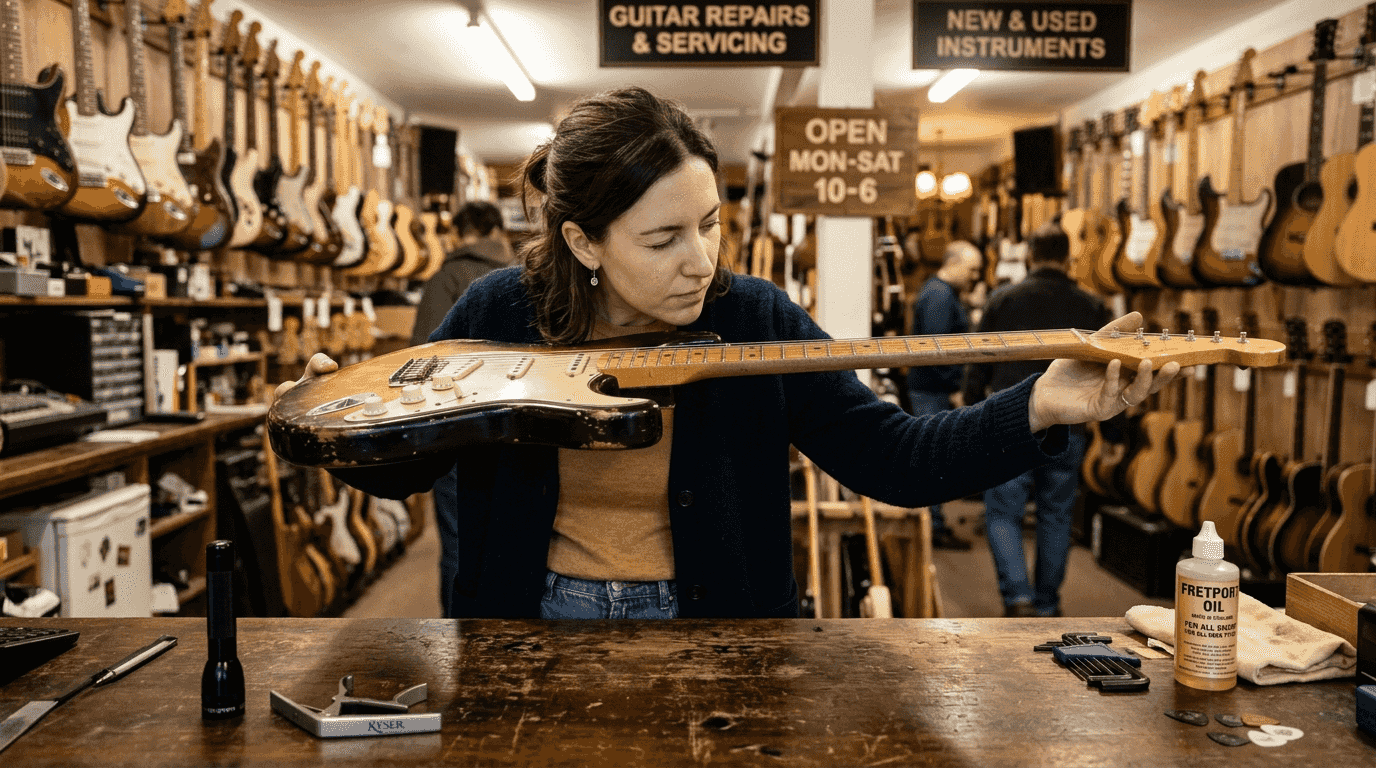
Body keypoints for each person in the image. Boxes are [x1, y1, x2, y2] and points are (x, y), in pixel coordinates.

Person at [275, 87, 1180, 621]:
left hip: (725, 625)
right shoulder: (498, 310)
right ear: (586, 242)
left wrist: (1042, 407)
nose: (701, 261)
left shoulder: (752, 314)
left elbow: (895, 460)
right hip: (532, 625)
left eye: (710, 225)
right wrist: (341, 422)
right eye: (663, 238)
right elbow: (405, 474)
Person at [961, 223, 1112, 618]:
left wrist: (973, 409)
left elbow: (978, 360)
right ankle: (1047, 603)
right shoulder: (1093, 306)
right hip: (1070, 425)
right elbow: (1111, 370)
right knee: (1056, 515)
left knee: (1002, 512)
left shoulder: (1003, 300)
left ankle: (1018, 599)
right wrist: (1109, 425)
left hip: (1012, 420)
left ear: (1029, 255)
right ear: (1068, 259)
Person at [408, 200, 514, 614]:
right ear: (498, 230)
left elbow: (421, 359)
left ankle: (457, 645)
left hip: (459, 426)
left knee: (458, 542)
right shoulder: (528, 275)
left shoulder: (447, 277)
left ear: (459, 233)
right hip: (521, 429)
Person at [905, 240, 984, 551]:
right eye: (973, 269)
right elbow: (937, 349)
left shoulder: (943, 293)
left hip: (932, 388)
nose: (976, 276)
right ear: (953, 263)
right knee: (933, 457)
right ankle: (932, 527)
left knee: (935, 456)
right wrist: (953, 388)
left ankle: (933, 524)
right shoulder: (938, 295)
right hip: (932, 389)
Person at [410, 201, 513, 346]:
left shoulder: (448, 277)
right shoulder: (524, 272)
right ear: (497, 232)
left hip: (464, 367)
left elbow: (425, 345)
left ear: (456, 233)